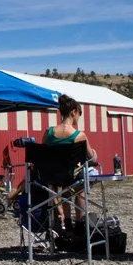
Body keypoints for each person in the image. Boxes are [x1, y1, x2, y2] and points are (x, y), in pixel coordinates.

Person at [40, 94, 97, 231]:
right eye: (79, 114)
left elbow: (43, 153)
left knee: (65, 190)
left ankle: (66, 225)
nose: (79, 117)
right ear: (73, 112)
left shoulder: (49, 132)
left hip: (52, 177)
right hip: (71, 176)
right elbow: (92, 158)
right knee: (80, 188)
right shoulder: (79, 136)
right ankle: (79, 224)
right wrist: (94, 152)